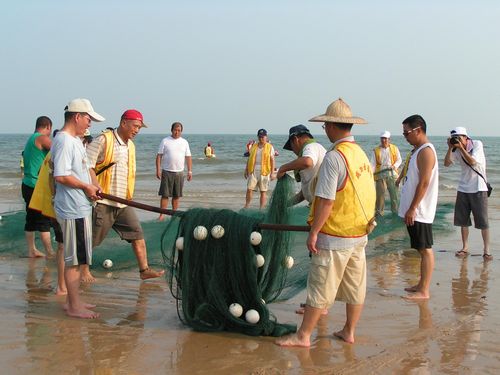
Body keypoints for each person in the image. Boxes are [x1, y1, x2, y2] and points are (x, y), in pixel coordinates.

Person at [276, 98, 376, 347]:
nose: (325, 131)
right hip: (359, 234)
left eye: (325, 126)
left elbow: (326, 201)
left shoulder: (335, 157)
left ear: (331, 125)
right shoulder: (360, 154)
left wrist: (314, 232)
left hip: (335, 235)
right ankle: (348, 331)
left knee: (320, 286)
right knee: (355, 287)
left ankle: (303, 336)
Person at [86, 109, 165, 282]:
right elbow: (86, 164)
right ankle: (81, 270)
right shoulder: (103, 140)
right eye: (135, 126)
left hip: (123, 202)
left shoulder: (131, 146)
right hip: (103, 201)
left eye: (140, 128)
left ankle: (144, 270)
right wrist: (94, 184)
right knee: (91, 240)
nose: (137, 130)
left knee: (137, 234)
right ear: (123, 123)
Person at [51, 98, 103, 318]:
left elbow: (82, 170)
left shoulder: (75, 140)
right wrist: (85, 186)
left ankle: (75, 301)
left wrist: (93, 185)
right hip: (72, 209)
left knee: (77, 258)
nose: (90, 123)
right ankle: (73, 306)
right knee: (73, 260)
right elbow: (61, 175)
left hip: (80, 206)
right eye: (88, 118)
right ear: (76, 116)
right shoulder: (64, 140)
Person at [277, 124, 327, 315]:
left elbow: (306, 162)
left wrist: (284, 167)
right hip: (317, 208)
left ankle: (318, 305)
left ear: (296, 139)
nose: (294, 152)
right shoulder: (313, 149)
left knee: (318, 257)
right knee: (316, 257)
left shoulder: (310, 148)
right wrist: (285, 204)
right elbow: (305, 192)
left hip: (322, 211)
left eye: (292, 147)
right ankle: (316, 302)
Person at [398, 115, 438, 300]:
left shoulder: (426, 151)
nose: (405, 136)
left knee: (425, 249)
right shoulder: (417, 150)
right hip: (415, 210)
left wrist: (413, 208)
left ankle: (425, 290)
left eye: (407, 132)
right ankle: (421, 284)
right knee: (420, 248)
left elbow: (424, 183)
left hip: (420, 211)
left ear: (418, 130)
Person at [443, 127, 491, 260]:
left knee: (483, 221)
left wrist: (461, 148)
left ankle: (486, 250)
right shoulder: (455, 149)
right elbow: (446, 164)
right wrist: (450, 148)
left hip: (478, 188)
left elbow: (473, 162)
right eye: (454, 137)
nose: (456, 140)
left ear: (466, 137)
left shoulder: (476, 144)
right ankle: (465, 247)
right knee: (463, 221)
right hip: (463, 188)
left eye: (459, 137)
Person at [21, 116, 55, 258]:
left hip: (27, 184)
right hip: (37, 186)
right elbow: (58, 150)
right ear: (47, 126)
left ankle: (32, 250)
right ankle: (50, 252)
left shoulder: (30, 139)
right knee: (43, 219)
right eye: (50, 130)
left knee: (31, 218)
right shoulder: (41, 138)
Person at [156, 122, 193, 219]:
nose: (177, 132)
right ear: (171, 130)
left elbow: (188, 157)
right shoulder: (165, 141)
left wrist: (190, 171)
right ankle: (162, 215)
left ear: (181, 131)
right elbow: (159, 156)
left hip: (179, 173)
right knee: (165, 195)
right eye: (175, 130)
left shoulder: (184, 142)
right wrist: (158, 170)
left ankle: (174, 214)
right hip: (167, 171)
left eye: (179, 130)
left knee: (176, 195)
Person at [370, 130, 402, 216]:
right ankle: (379, 214)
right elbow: (372, 164)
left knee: (394, 195)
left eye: (385, 138)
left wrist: (394, 166)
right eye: (382, 138)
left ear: (389, 139)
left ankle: (395, 213)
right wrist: (370, 175)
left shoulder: (395, 148)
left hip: (392, 174)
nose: (384, 140)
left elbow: (399, 160)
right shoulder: (375, 150)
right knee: (380, 197)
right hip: (380, 175)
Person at [244, 128, 276, 209]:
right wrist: (246, 169)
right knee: (249, 189)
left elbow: (272, 160)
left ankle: (261, 208)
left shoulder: (270, 147)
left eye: (263, 136)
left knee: (263, 191)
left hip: (265, 171)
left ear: (266, 136)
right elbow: (249, 158)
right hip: (253, 170)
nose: (261, 138)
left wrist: (272, 173)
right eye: (259, 136)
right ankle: (247, 206)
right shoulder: (254, 146)